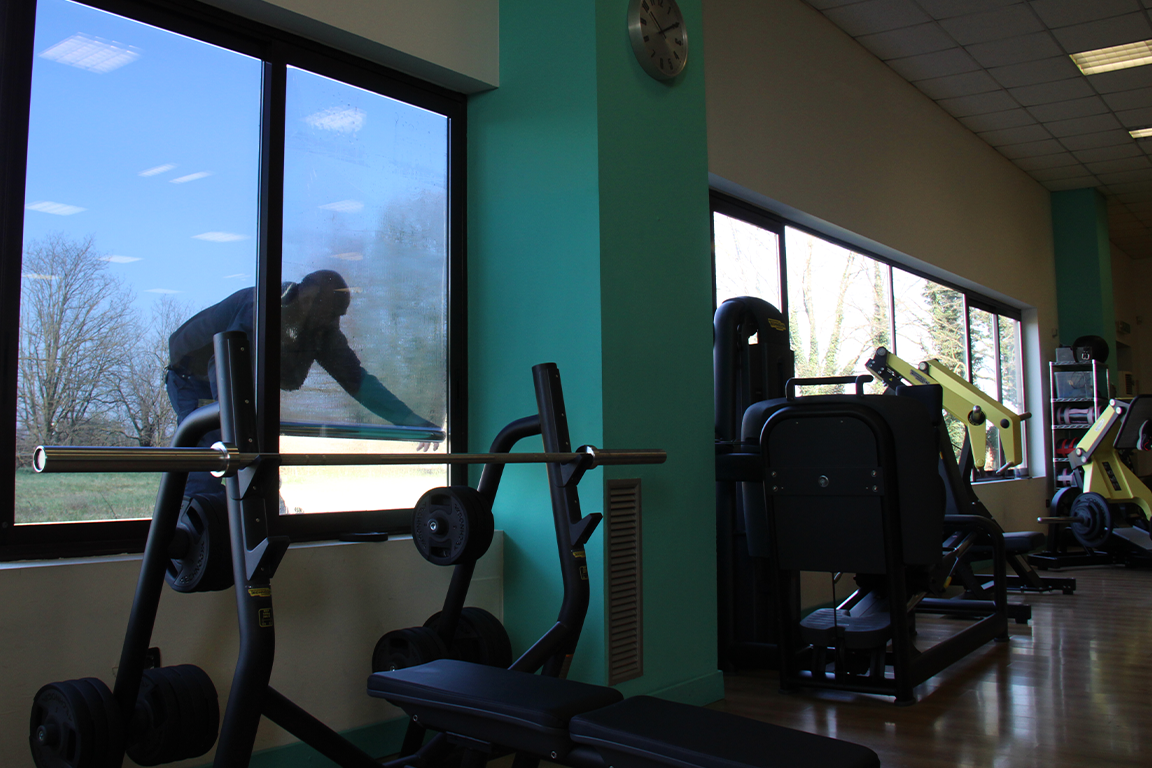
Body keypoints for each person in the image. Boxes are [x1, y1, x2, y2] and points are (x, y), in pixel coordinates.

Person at [167, 269, 439, 496]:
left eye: (339, 315)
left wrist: (411, 421)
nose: (336, 322)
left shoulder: (320, 330)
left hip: (237, 385)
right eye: (332, 313)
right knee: (207, 467)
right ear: (309, 301)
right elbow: (222, 364)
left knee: (255, 469)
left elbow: (358, 382)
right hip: (192, 378)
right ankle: (193, 532)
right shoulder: (261, 308)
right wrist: (236, 427)